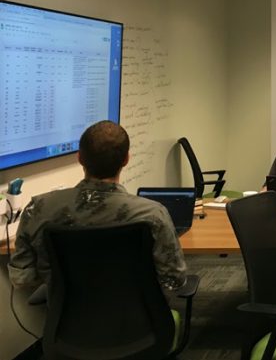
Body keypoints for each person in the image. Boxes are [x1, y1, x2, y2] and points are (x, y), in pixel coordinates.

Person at [9, 120, 187, 290]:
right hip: (136, 317)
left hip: (66, 317)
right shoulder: (153, 214)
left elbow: (22, 278)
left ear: (80, 158)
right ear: (126, 160)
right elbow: (174, 280)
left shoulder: (38, 209)